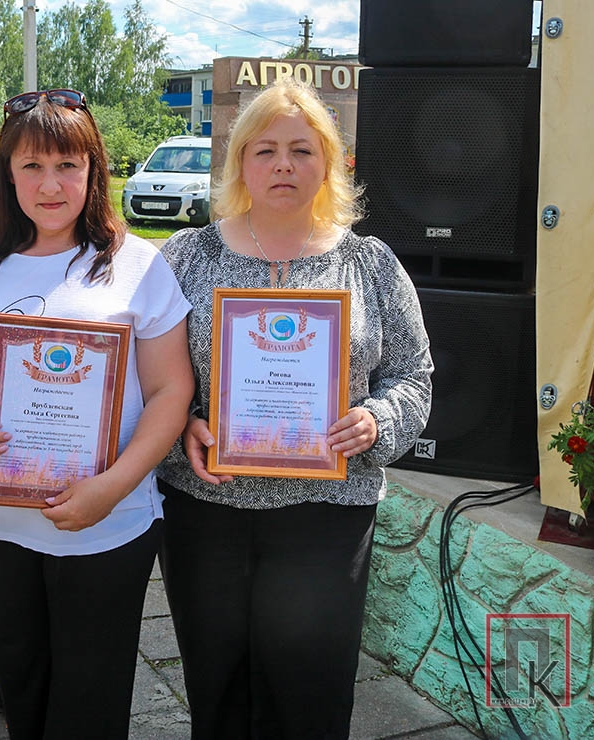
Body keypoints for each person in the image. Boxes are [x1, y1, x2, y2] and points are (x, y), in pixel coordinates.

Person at [156, 77, 433, 739]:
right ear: (241, 162)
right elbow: (148, 379)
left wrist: (377, 421)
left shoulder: (370, 265)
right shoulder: (186, 257)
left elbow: (413, 377)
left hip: (326, 515)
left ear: (329, 163)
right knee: (217, 688)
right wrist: (180, 427)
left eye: (302, 150)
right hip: (207, 508)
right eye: (266, 150)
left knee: (311, 693)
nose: (283, 164)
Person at [0, 88, 195, 739]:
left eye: (68, 165)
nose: (50, 184)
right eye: (32, 166)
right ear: (7, 174)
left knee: (91, 701)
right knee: (23, 689)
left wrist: (112, 487)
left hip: (107, 524)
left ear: (94, 171)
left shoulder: (137, 267)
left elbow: (171, 393)